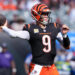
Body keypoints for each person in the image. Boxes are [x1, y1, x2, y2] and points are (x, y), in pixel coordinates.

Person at [0, 3, 70, 75]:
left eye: (47, 14)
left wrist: (64, 35)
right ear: (36, 14)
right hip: (38, 68)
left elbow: (67, 46)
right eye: (43, 14)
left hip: (51, 67)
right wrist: (4, 27)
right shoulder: (31, 29)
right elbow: (13, 34)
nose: (46, 16)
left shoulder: (54, 27)